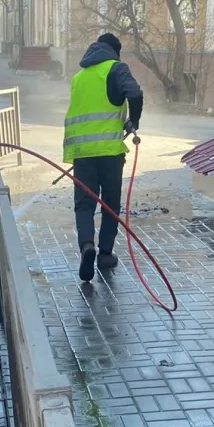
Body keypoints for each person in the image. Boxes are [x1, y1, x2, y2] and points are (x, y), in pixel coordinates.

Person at [64, 33, 143, 282]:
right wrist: (134, 121)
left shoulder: (79, 77)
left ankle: (87, 245)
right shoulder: (116, 68)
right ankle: (105, 254)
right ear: (115, 52)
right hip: (109, 153)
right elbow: (135, 93)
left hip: (82, 154)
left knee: (84, 205)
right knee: (110, 204)